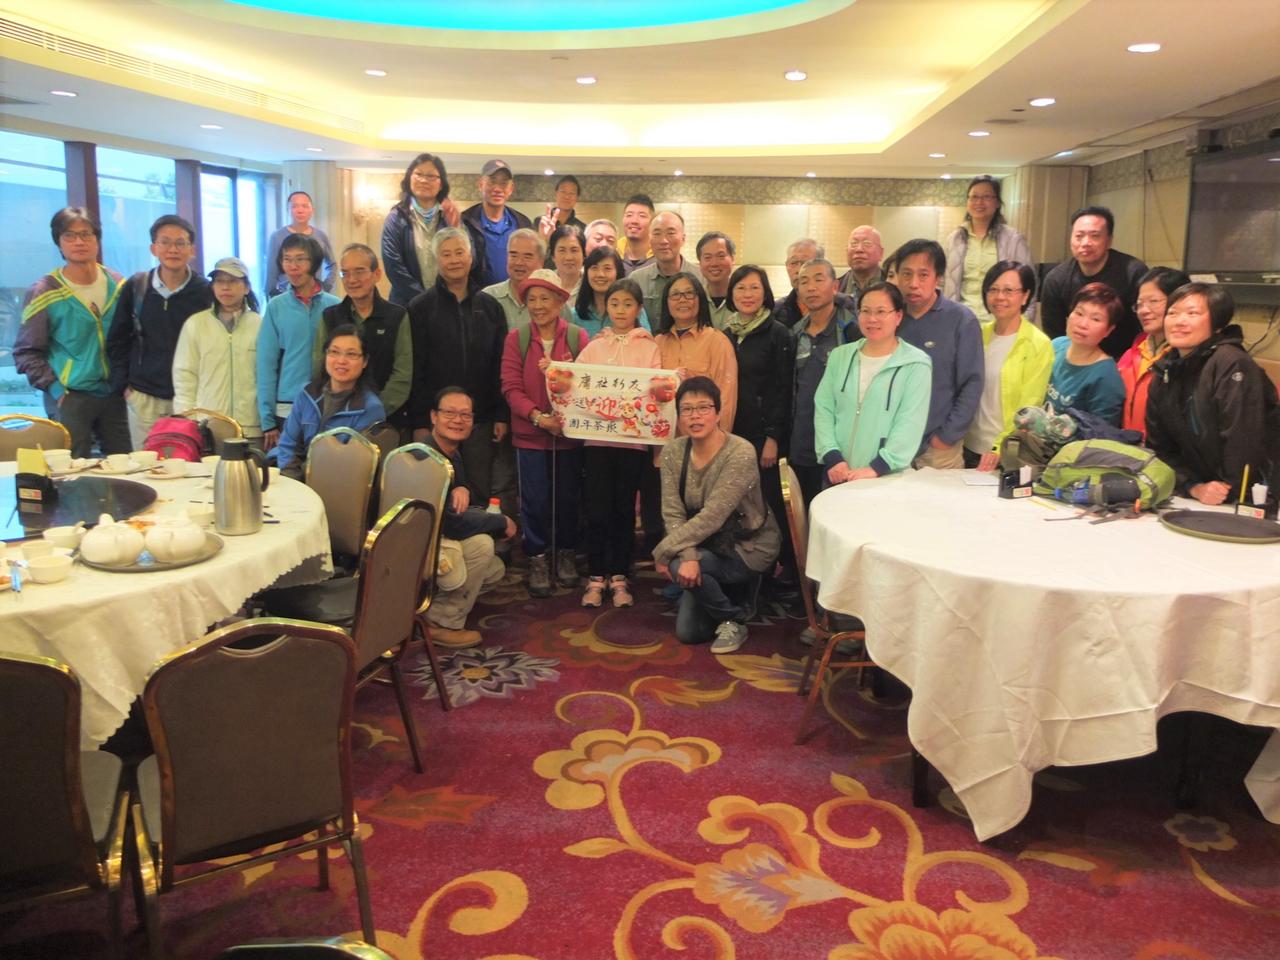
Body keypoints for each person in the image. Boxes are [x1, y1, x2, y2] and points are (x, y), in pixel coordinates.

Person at [654, 377, 781, 654]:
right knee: (689, 633)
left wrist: (664, 551)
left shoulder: (740, 451)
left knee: (675, 565)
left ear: (718, 412)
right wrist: (688, 556)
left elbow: (714, 515)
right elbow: (673, 512)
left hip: (745, 544)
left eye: (704, 407)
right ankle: (729, 610)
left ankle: (736, 617)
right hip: (702, 542)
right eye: (687, 409)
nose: (695, 416)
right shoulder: (673, 451)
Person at [405, 228, 512, 517]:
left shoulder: (489, 306)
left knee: (478, 489)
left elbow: (500, 363)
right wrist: (420, 420)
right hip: (436, 419)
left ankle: (478, 540)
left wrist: (501, 414)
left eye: (459, 252)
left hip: (480, 418)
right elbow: (416, 367)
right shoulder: (420, 308)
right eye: (446, 254)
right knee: (433, 488)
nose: (454, 260)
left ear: (471, 257)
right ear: (436, 260)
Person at [1146, 283, 1279, 505]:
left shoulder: (1232, 364)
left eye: (1192, 313)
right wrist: (1191, 486)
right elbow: (1159, 447)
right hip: (1196, 494)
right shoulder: (1165, 369)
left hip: (1250, 498)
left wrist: (1227, 491)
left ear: (1217, 324)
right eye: (1173, 313)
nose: (1179, 321)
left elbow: (1243, 444)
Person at [500, 269, 590, 598]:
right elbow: (511, 387)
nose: (538, 305)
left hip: (569, 437)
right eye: (532, 299)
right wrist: (538, 417)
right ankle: (536, 556)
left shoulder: (578, 337)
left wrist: (563, 416)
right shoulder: (517, 339)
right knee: (534, 501)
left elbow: (587, 384)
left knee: (568, 499)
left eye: (545, 298)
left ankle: (566, 553)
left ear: (560, 302)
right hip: (530, 436)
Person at [14, 207, 131, 458]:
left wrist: (126, 381)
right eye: (69, 235)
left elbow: (130, 338)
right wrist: (57, 390)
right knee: (72, 469)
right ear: (59, 242)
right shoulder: (44, 291)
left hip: (113, 393)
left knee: (124, 465)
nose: (79, 242)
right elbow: (26, 351)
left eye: (86, 234)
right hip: (70, 396)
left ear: (97, 239)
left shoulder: (118, 283)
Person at [576, 277, 662, 609]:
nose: (621, 310)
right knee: (597, 509)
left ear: (638, 309)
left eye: (628, 304)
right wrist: (554, 372)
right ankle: (596, 576)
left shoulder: (649, 348)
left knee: (624, 510)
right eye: (614, 303)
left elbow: (656, 392)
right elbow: (576, 385)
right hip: (596, 442)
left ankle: (620, 575)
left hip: (633, 444)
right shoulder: (594, 346)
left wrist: (671, 382)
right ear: (606, 307)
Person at [107, 214, 213, 448]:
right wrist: (124, 386)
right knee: (146, 461)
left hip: (191, 397)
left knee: (188, 459)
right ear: (153, 248)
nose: (173, 249)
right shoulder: (137, 287)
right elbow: (117, 339)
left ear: (192, 250)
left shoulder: (204, 292)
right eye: (165, 242)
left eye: (180, 243)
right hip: (144, 395)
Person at [423, 386, 518, 648]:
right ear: (433, 416)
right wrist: (501, 522)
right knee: (482, 546)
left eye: (465, 415)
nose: (458, 420)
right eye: (449, 413)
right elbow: (452, 523)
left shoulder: (450, 453)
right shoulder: (427, 460)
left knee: (493, 570)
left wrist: (462, 486)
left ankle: (425, 610)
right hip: (416, 548)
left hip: (435, 538)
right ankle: (441, 623)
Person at [815, 282, 932, 483]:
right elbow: (824, 408)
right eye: (866, 311)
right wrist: (832, 456)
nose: (872, 319)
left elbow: (910, 422)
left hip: (887, 476)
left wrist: (878, 467)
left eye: (881, 311)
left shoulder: (916, 363)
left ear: (898, 316)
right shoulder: (840, 356)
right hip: (838, 472)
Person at [722, 265, 793, 577]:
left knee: (769, 504)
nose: (747, 294)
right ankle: (742, 569)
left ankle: (779, 569)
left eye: (754, 288)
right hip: (732, 435)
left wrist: (773, 437)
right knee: (738, 503)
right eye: (740, 288)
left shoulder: (778, 333)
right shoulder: (726, 334)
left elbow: (783, 388)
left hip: (764, 437)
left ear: (765, 293)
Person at [894, 239, 984, 470]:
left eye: (923, 275)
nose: (913, 283)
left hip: (938, 450)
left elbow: (972, 383)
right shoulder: (890, 317)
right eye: (906, 274)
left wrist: (946, 437)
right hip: (891, 446)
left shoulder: (961, 320)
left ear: (939, 278)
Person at [964, 261, 1053, 470]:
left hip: (1005, 452)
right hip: (967, 444)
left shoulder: (1038, 344)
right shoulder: (978, 334)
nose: (1000, 297)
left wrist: (998, 447)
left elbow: (1028, 407)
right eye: (993, 290)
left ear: (1025, 296)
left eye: (1008, 291)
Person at [256, 233, 340, 451]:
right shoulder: (276, 307)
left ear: (314, 262)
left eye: (300, 259)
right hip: (287, 407)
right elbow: (266, 364)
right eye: (287, 259)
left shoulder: (335, 306)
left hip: (327, 404)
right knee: (286, 467)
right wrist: (267, 420)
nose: (293, 266)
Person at [786, 258, 861, 504]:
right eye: (803, 282)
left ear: (835, 286)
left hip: (841, 446)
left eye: (819, 279)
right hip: (803, 441)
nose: (811, 287)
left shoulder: (852, 331)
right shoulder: (795, 333)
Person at [316, 244, 412, 424]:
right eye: (345, 273)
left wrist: (372, 412)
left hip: (386, 419)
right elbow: (320, 368)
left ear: (377, 274)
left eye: (359, 272)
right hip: (337, 418)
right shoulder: (330, 317)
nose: (352, 280)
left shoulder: (397, 316)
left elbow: (402, 374)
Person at [274, 324, 385, 479]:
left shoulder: (371, 408)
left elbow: (356, 467)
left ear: (365, 361)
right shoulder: (307, 393)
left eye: (351, 354)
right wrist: (294, 482)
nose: (341, 360)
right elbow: (288, 444)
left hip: (338, 485)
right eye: (334, 352)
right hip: (297, 480)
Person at [171, 257, 263, 443]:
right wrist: (187, 417)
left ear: (246, 287)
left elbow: (267, 376)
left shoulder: (260, 325)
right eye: (219, 281)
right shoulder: (196, 324)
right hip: (207, 426)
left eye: (233, 281)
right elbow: (185, 375)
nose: (225, 287)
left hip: (251, 426)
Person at [1039, 206, 1147, 358]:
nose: (1085, 242)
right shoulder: (1056, 279)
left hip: (1127, 359)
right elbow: (1054, 334)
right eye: (1079, 236)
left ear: (1109, 241)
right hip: (1077, 359)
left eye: (1095, 236)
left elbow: (1144, 328)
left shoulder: (1133, 273)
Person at [381, 152, 479, 307]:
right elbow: (394, 267)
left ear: (441, 184)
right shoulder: (396, 218)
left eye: (431, 176)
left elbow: (471, 259)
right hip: (407, 305)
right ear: (409, 179)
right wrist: (425, 300)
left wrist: (457, 228)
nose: (424, 180)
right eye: (418, 174)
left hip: (448, 303)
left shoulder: (450, 215)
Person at [943, 176, 1032, 323]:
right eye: (974, 197)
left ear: (997, 202)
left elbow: (1028, 284)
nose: (979, 202)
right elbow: (945, 283)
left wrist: (1022, 324)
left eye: (986, 197)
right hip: (961, 320)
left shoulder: (1014, 239)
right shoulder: (954, 239)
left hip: (1000, 321)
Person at [1117, 266, 1190, 439]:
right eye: (1140, 304)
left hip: (1164, 452)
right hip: (1128, 448)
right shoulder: (1130, 355)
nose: (1143, 310)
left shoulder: (1187, 359)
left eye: (1153, 301)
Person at [1045, 282, 1126, 425]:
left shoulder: (1106, 377)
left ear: (1108, 330)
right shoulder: (1056, 345)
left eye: (1095, 319)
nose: (1082, 324)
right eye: (1079, 313)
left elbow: (1102, 432)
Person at [461, 159, 533, 286]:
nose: (497, 189)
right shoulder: (465, 222)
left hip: (516, 294)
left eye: (503, 183)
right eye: (492, 182)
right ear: (480, 184)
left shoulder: (522, 223)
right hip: (478, 295)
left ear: (511, 188)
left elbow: (532, 261)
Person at [631, 211, 705, 323]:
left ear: (683, 239)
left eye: (671, 233)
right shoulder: (637, 280)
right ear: (649, 240)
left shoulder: (701, 277)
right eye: (657, 234)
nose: (663, 241)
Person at [265, 191, 335, 296]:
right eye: (294, 206)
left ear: (312, 210)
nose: (300, 210)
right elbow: (271, 271)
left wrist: (327, 285)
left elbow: (332, 264)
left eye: (305, 206)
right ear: (288, 210)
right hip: (286, 294)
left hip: (315, 293)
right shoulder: (277, 237)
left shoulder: (320, 236)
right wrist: (270, 294)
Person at [575, 246, 651, 337]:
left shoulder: (633, 309)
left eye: (607, 268)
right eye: (594, 268)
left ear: (618, 272)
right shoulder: (575, 314)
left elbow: (646, 341)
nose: (600, 274)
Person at [482, 228, 546, 331]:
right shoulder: (487, 297)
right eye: (513, 255)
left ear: (541, 262)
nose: (519, 262)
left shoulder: (553, 302)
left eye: (527, 257)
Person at [697, 231, 737, 330]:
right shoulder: (694, 300)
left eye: (721, 256)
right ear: (700, 263)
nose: (714, 263)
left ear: (733, 259)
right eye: (707, 257)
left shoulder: (746, 299)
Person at [838, 225, 885, 307]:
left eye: (867, 243)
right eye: (854, 244)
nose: (859, 249)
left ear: (881, 253)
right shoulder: (836, 288)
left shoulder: (895, 286)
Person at [618, 194, 654, 275]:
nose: (634, 221)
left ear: (652, 222)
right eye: (629, 215)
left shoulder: (660, 257)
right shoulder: (613, 254)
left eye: (642, 216)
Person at [547, 223, 585, 300]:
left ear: (584, 255)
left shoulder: (591, 284)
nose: (568, 257)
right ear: (553, 256)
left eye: (574, 250)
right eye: (562, 250)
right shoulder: (543, 284)